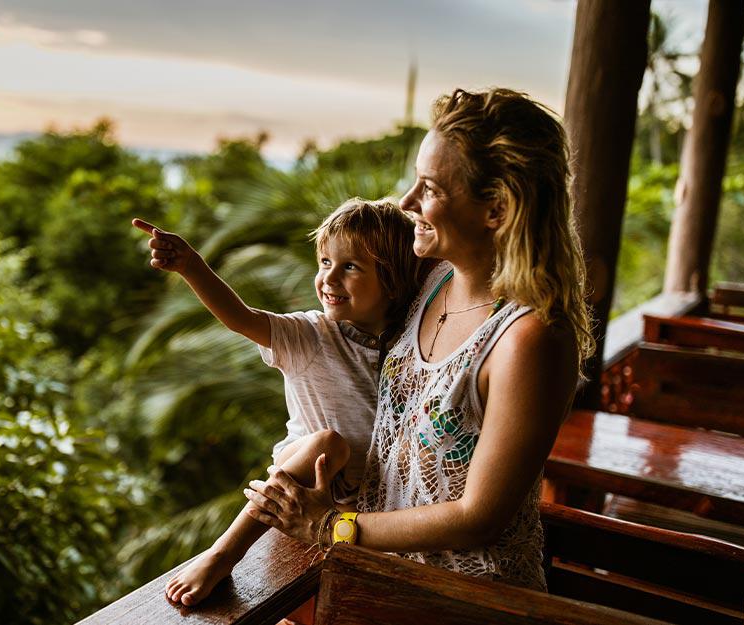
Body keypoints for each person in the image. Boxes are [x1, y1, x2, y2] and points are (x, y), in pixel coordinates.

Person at [244, 88, 595, 592]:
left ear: (495, 208)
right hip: (381, 570)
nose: (407, 203)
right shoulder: (429, 280)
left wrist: (329, 527)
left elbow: (480, 517)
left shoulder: (531, 338)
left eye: (428, 188)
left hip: (465, 598)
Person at [132, 198, 420, 605]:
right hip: (298, 489)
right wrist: (191, 266)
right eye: (324, 262)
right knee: (327, 444)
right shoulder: (309, 335)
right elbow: (240, 316)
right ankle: (223, 552)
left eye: (350, 266)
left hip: (364, 510)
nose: (329, 278)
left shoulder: (412, 342)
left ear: (392, 280)